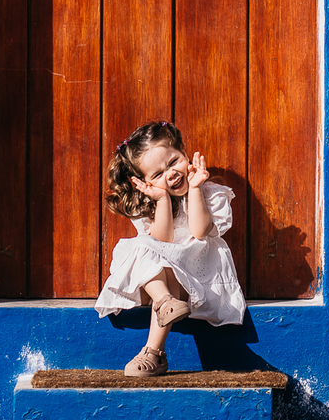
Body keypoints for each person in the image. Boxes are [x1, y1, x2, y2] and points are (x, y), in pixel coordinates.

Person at [94, 120, 246, 376]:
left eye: (174, 161)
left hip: (200, 280)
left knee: (167, 271)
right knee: (141, 246)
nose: (171, 174)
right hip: (163, 288)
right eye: (157, 175)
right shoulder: (150, 205)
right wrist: (162, 199)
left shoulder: (211, 194)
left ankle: (153, 351)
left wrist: (196, 188)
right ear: (144, 182)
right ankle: (165, 302)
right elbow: (160, 243)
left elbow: (199, 231)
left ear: (185, 153)